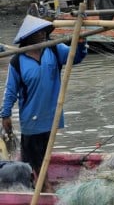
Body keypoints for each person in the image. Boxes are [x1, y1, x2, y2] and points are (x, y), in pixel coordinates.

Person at [0, 15, 87, 192]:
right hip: (30, 119)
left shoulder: (54, 50)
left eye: (43, 32)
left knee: (44, 153)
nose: (41, 35)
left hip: (51, 116)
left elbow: (75, 57)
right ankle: (42, 186)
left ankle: (40, 184)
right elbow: (10, 90)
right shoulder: (17, 61)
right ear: (28, 36)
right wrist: (5, 114)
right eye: (37, 33)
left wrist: (81, 42)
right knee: (32, 156)